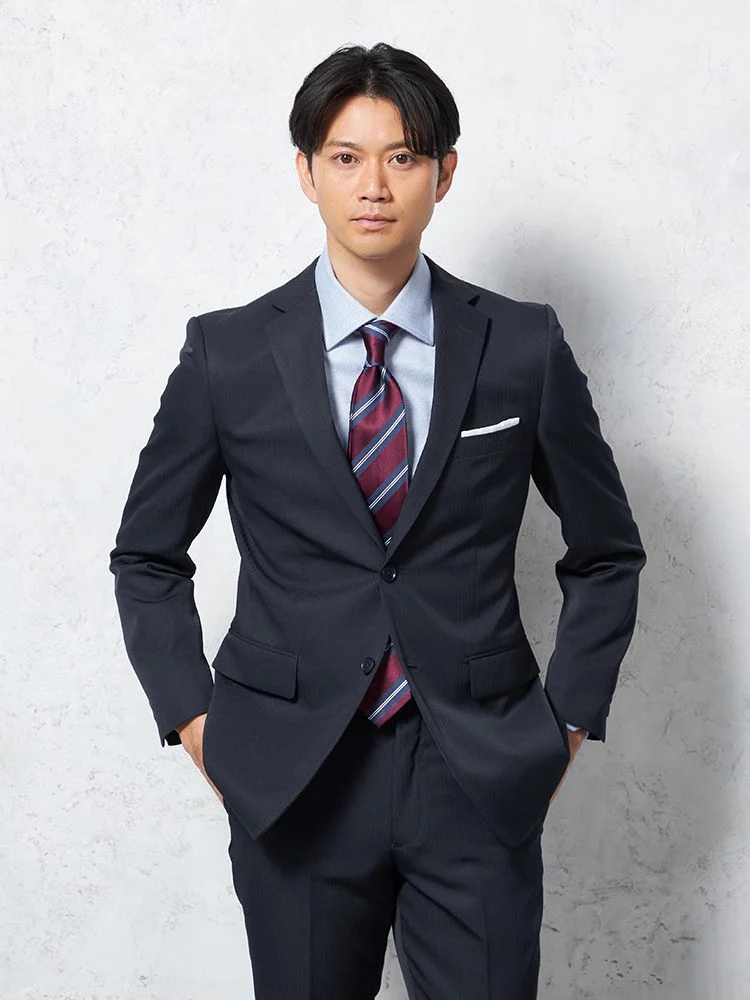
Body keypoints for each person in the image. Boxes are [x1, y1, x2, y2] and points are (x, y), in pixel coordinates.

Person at [109, 40, 646, 1000]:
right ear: (306, 172)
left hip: (476, 770)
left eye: (402, 157)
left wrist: (563, 722)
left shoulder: (521, 346)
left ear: (445, 172)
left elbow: (606, 553)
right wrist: (198, 722)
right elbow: (147, 556)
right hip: (293, 776)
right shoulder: (228, 353)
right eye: (346, 157)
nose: (373, 185)